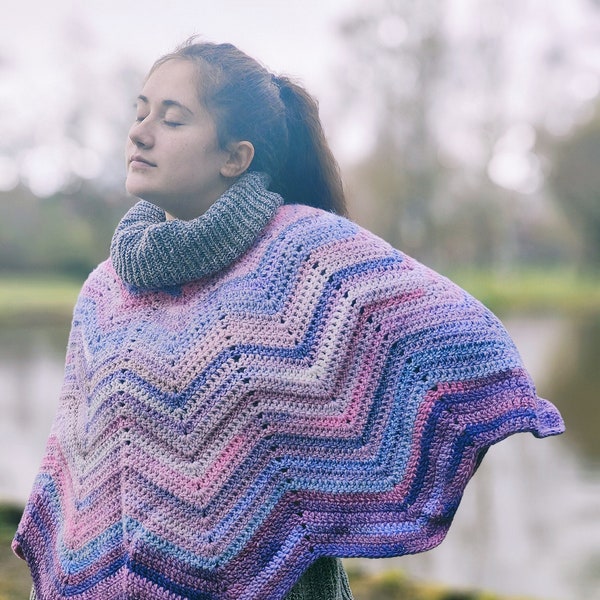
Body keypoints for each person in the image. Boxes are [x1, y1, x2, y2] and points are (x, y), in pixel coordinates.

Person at [13, 39, 564, 600]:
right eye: (140, 112)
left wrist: (336, 477)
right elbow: (83, 479)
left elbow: (465, 344)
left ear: (236, 156)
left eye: (172, 119)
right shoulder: (104, 292)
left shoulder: (301, 256)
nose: (140, 131)